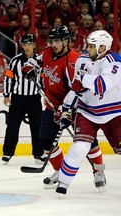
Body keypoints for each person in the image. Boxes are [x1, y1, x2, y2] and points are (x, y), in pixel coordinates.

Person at [23, 25, 105, 189]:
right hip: (52, 106)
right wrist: (30, 66)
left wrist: (66, 110)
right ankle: (60, 171)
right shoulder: (47, 52)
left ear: (66, 41)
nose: (54, 44)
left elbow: (78, 89)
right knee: (46, 141)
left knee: (88, 141)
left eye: (58, 41)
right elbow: (37, 60)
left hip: (76, 108)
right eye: (52, 40)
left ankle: (98, 171)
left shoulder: (73, 60)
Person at [56, 30, 119, 195]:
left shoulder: (115, 62)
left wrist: (82, 80)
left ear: (102, 47)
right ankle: (63, 184)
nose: (87, 48)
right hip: (87, 110)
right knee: (79, 147)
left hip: (113, 113)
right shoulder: (82, 60)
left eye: (92, 46)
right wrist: (66, 109)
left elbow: (101, 85)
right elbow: (76, 89)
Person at [2, 34, 45, 165]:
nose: (27, 47)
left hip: (34, 98)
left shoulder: (40, 61)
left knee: (37, 127)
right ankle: (8, 153)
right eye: (25, 44)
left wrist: (45, 96)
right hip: (18, 99)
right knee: (12, 126)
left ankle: (38, 154)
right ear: (22, 45)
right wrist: (6, 95)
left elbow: (43, 79)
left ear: (34, 45)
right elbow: (8, 78)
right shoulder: (15, 61)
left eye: (29, 44)